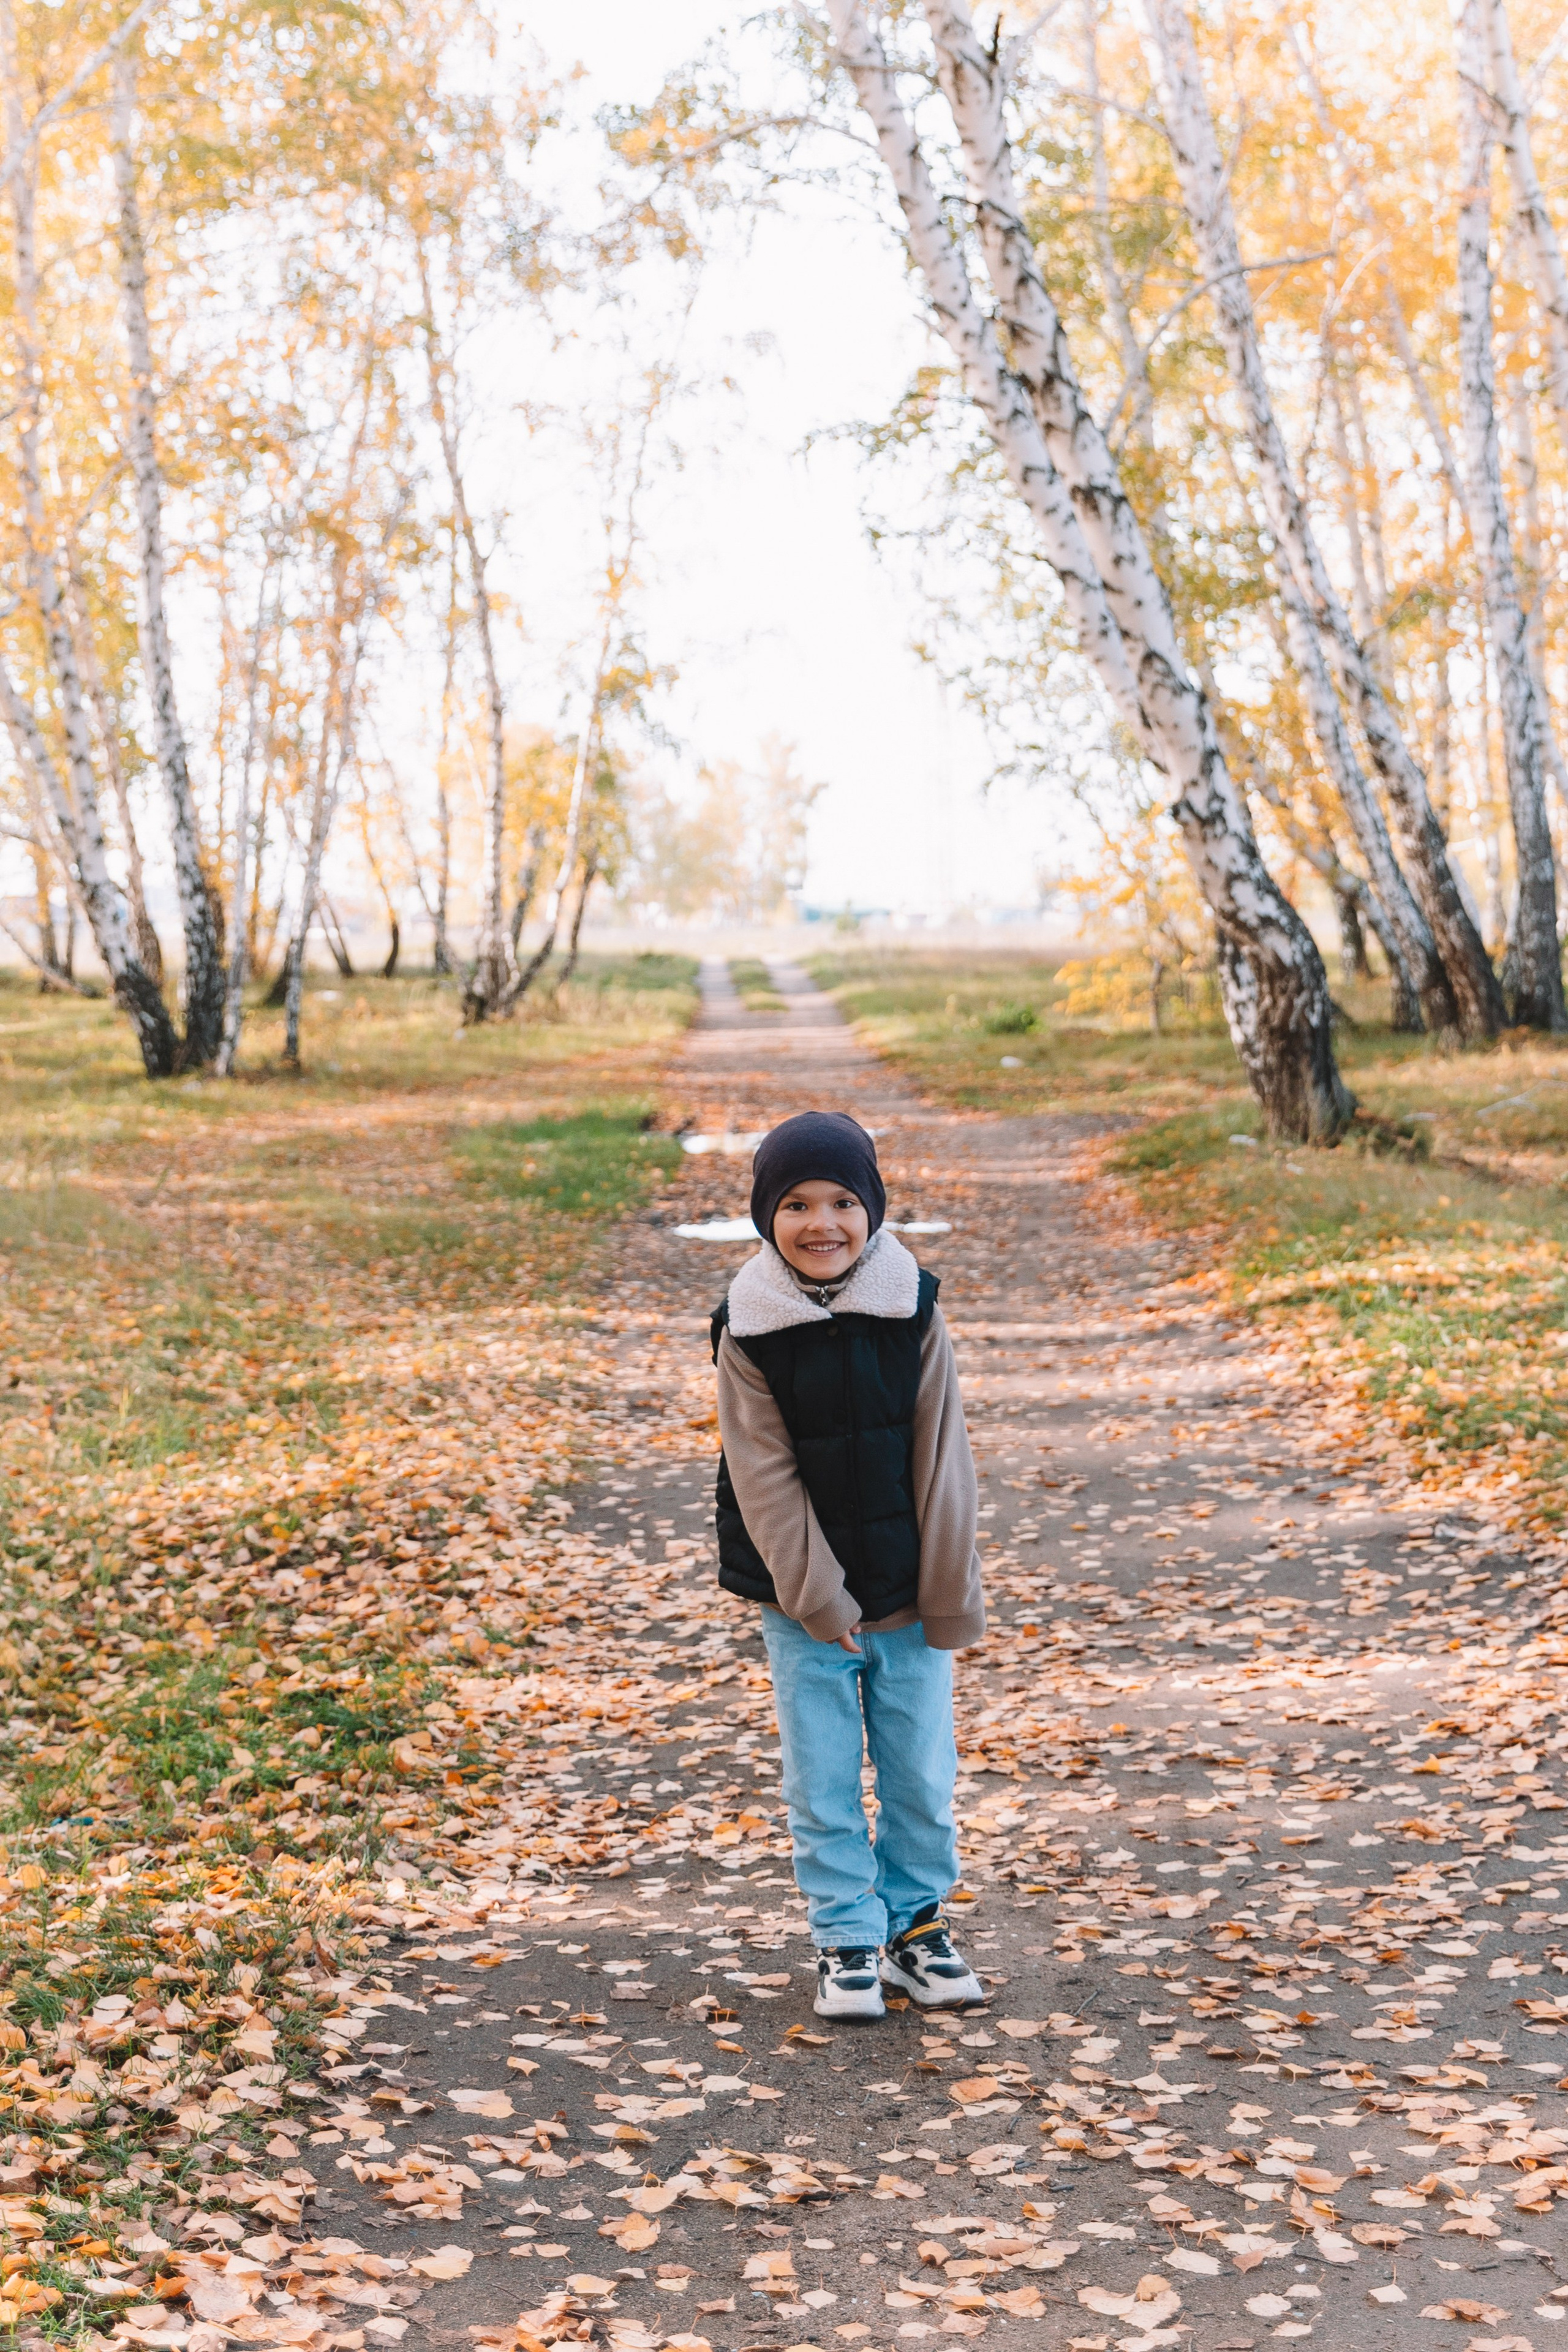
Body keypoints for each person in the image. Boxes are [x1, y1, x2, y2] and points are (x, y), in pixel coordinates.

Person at [709, 1109, 987, 2020]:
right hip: (802, 1602)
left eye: (841, 1202)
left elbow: (943, 1458)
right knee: (823, 1776)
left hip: (908, 1594)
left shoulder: (914, 1311)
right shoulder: (750, 1329)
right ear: (764, 1216)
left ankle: (914, 1928)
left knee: (919, 1772)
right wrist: (819, 1597)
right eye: (795, 1204)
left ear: (871, 1210)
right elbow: (763, 1475)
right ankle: (844, 1938)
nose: (820, 1223)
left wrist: (944, 1595)